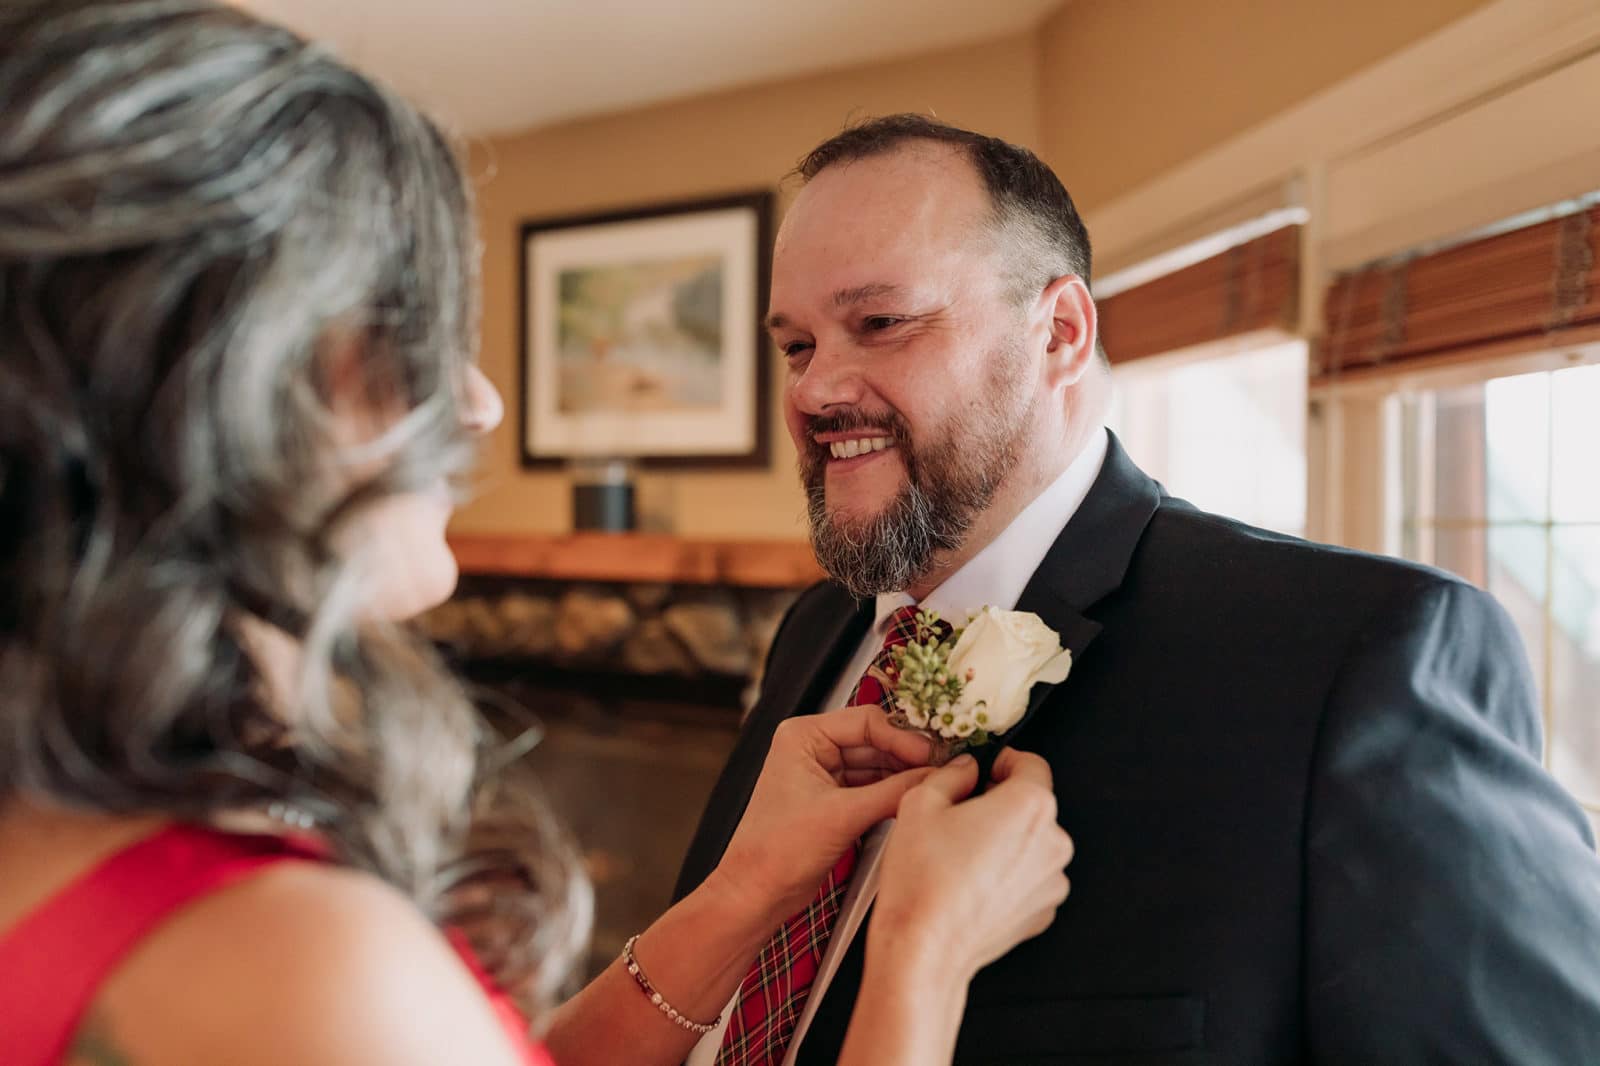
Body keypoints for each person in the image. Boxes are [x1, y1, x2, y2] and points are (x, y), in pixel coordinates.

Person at [0, 7, 1075, 1065]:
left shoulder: (57, 834)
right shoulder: (286, 963)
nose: (478, 404)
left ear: (1059, 333)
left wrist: (748, 888)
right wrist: (921, 963)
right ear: (220, 387)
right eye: (407, 337)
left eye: (880, 322)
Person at [675, 113, 1600, 1065]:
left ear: (1061, 333)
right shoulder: (817, 630)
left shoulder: (1349, 661)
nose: (818, 391)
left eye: (880, 324)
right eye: (795, 346)